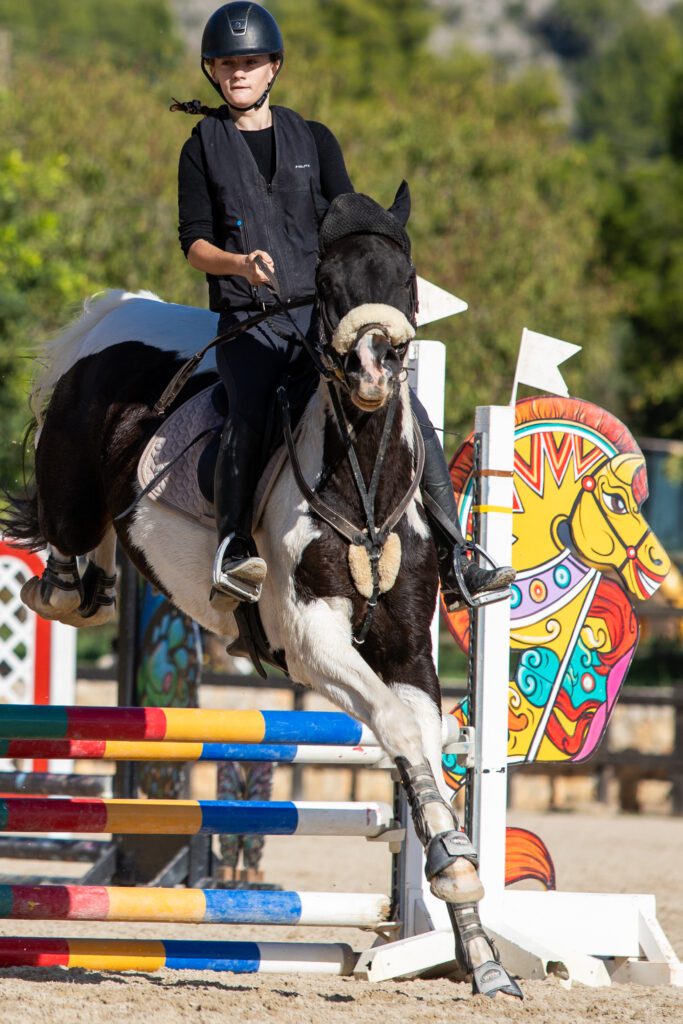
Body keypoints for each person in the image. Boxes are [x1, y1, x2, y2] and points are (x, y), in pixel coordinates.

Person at [176, 1, 514, 611]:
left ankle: (455, 557)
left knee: (401, 403)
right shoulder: (201, 146)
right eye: (227, 64)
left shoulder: (316, 138)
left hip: (321, 316)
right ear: (212, 71)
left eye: (250, 62)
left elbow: (344, 223)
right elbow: (194, 244)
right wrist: (239, 263)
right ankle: (231, 548)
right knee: (249, 410)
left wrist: (377, 271)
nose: (239, 73)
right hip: (248, 319)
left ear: (274, 67)